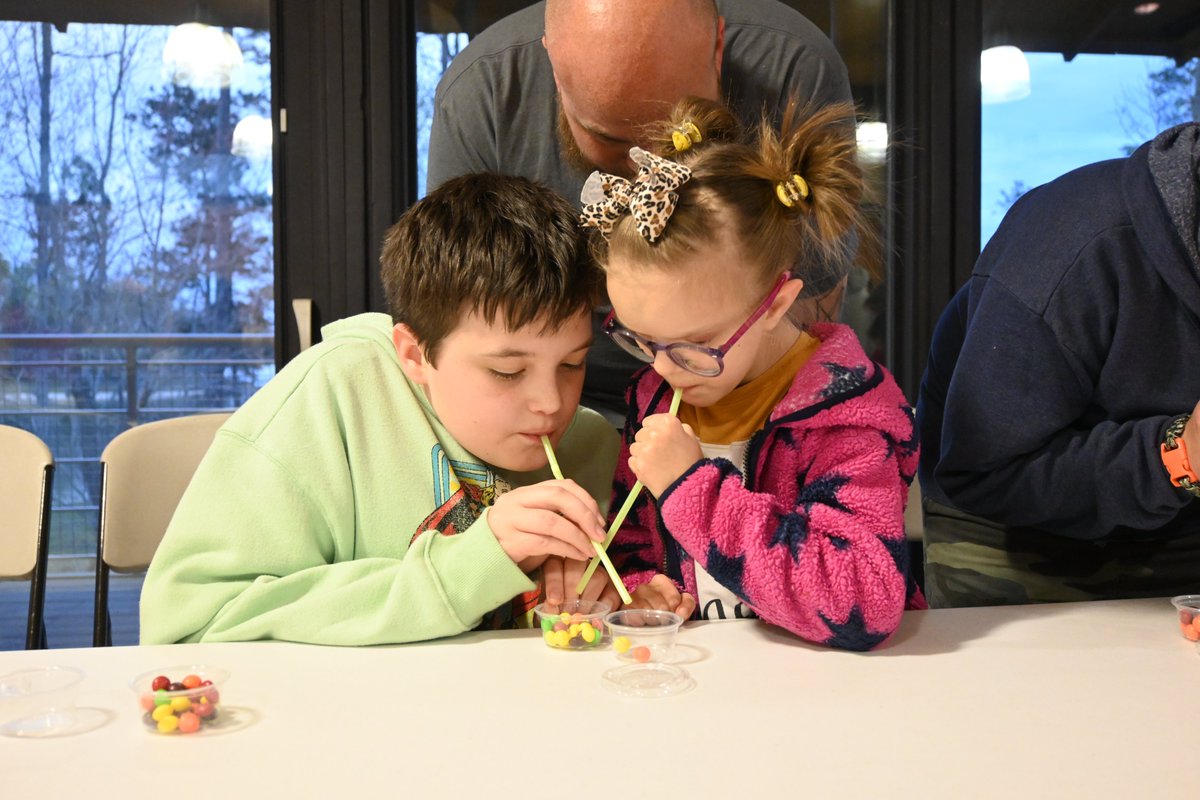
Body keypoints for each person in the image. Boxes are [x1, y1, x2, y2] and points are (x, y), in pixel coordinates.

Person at [140, 173, 620, 646]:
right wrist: (471, 565)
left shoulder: (590, 445)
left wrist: (610, 601)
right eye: (507, 372)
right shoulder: (332, 402)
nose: (553, 403)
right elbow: (187, 630)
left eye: (573, 364)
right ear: (414, 356)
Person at [583, 97, 923, 651]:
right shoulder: (655, 396)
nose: (665, 369)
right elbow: (636, 546)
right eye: (642, 340)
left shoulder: (847, 420)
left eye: (696, 345)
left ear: (773, 304)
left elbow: (864, 601)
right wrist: (643, 590)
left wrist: (693, 489)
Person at [427, 0, 854, 423]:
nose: (648, 170)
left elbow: (812, 309)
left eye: (675, 131)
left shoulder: (792, 65)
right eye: (610, 138)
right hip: (554, 411)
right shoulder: (483, 92)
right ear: (554, 70)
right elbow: (461, 325)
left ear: (717, 49)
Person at [917, 122, 1200, 608]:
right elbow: (981, 473)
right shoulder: (1071, 249)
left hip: (1182, 524)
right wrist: (1176, 457)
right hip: (1012, 531)